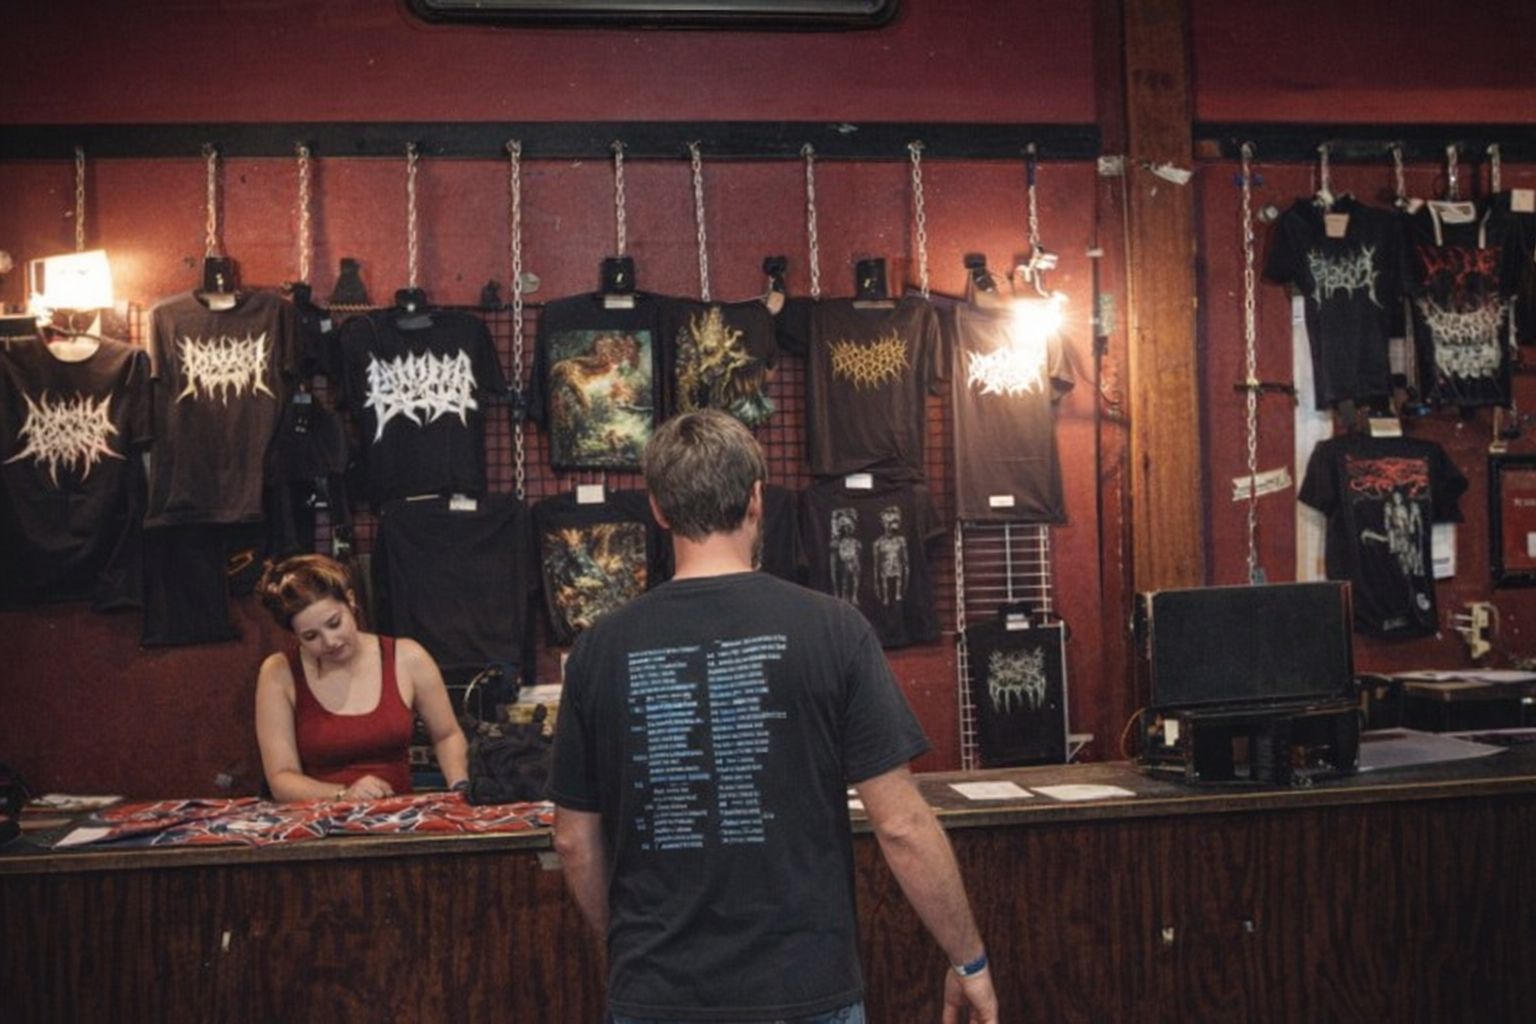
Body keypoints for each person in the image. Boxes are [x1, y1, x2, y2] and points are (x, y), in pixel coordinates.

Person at [550, 410, 999, 1024]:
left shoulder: (598, 648)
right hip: (803, 987)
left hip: (656, 989)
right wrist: (967, 959)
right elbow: (901, 827)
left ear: (657, 508)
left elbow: (573, 840)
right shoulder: (835, 629)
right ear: (757, 499)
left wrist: (628, 945)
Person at [254, 553, 468, 802]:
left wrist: (460, 785)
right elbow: (281, 777)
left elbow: (446, 735)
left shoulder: (408, 657)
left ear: (351, 601)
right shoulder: (279, 673)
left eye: (334, 623)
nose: (330, 642)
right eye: (311, 637)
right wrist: (343, 794)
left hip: (400, 822)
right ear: (295, 636)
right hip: (320, 826)